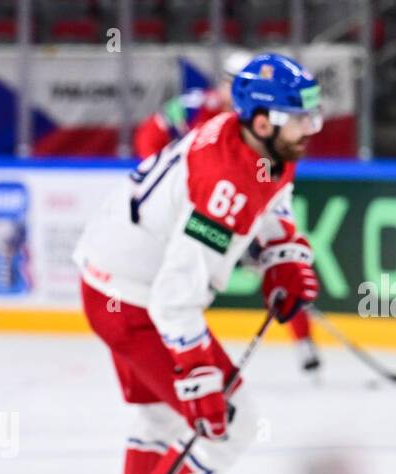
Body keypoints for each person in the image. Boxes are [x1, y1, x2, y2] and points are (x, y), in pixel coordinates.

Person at [72, 54, 322, 474]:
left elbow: (274, 197)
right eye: (299, 117)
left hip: (112, 285)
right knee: (231, 424)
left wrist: (283, 250)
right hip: (136, 303)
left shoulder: (257, 142)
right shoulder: (224, 185)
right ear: (262, 121)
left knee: (159, 419)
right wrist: (199, 376)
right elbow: (173, 300)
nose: (310, 127)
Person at [135, 49, 320, 373]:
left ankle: (303, 341)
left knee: (282, 264)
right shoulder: (195, 106)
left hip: (241, 206)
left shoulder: (266, 134)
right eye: (228, 82)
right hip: (198, 208)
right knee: (186, 282)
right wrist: (166, 176)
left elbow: (268, 184)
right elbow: (148, 136)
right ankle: (183, 348)